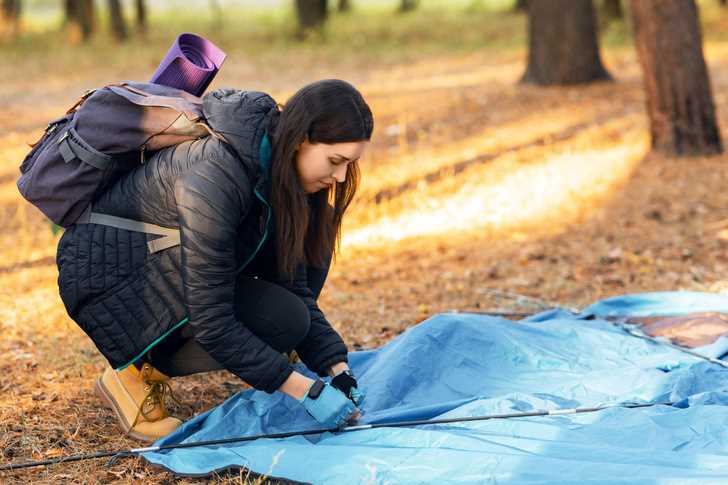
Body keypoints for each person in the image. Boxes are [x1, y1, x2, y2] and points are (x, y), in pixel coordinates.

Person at [55, 79, 374, 442]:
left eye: (350, 164)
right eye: (335, 161)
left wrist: (339, 370)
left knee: (306, 269)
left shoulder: (283, 170)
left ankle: (257, 355)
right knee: (283, 322)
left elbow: (294, 285)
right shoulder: (215, 173)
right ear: (301, 140)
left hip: (170, 267)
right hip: (113, 278)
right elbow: (211, 317)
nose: (340, 177)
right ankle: (137, 373)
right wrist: (304, 390)